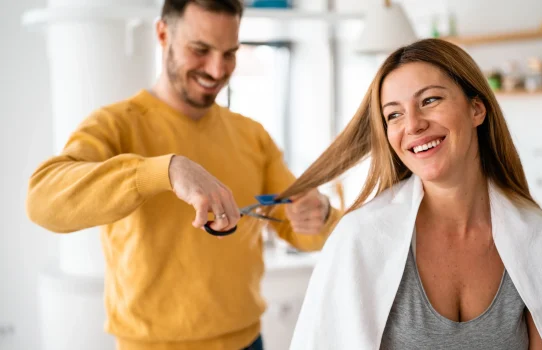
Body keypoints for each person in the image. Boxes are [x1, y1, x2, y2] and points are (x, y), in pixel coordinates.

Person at [25, 1, 342, 349]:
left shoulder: (252, 135)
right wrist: (166, 170)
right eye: (200, 49)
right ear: (163, 34)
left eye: (230, 53)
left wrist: (321, 214)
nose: (217, 69)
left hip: (248, 341)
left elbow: (301, 228)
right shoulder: (117, 125)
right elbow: (42, 201)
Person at [276, 39, 542, 349]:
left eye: (429, 100)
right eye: (394, 115)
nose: (412, 125)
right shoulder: (359, 239)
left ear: (476, 109)